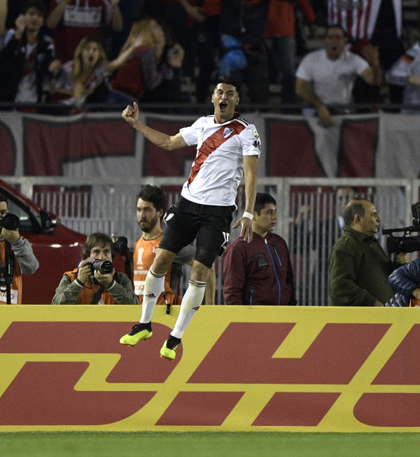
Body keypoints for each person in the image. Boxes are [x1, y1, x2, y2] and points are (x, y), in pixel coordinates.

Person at [118, 75, 260, 360]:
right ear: (212, 97)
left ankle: (174, 338)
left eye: (230, 93)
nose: (224, 97)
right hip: (187, 205)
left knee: (199, 272)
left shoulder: (246, 131)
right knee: (160, 260)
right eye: (219, 92)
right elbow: (169, 143)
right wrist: (136, 124)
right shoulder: (203, 124)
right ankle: (144, 324)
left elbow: (251, 173)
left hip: (217, 213)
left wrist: (247, 212)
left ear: (236, 100)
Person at [133, 184, 215, 308]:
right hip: (139, 313)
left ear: (160, 212)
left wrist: (210, 306)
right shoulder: (138, 244)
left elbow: (208, 266)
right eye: (139, 210)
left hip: (165, 314)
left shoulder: (169, 246)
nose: (142, 215)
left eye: (147, 210)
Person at [295, 25, 381, 127]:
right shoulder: (311, 59)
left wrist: (375, 66)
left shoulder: (353, 60)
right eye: (330, 37)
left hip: (341, 112)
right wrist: (320, 107)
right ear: (325, 41)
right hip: (315, 111)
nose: (334, 41)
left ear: (344, 42)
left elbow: (375, 81)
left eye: (338, 37)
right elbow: (300, 88)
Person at [328, 198, 408, 306]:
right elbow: (340, 287)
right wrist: (374, 304)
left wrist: (400, 264)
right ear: (358, 219)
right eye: (373, 214)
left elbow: (385, 276)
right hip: (359, 320)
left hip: (380, 318)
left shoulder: (370, 243)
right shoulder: (346, 246)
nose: (378, 219)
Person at [222, 192, 296, 305]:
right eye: (269, 213)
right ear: (253, 215)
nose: (274, 217)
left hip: (283, 316)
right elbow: (232, 291)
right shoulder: (238, 248)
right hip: (254, 318)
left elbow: (289, 280)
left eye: (275, 212)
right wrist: (240, 320)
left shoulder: (279, 243)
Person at [0, 0, 60, 103]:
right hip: (9, 99)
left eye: (39, 15)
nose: (35, 18)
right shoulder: (12, 34)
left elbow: (49, 63)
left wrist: (53, 65)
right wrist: (18, 33)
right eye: (31, 14)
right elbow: (4, 60)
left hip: (35, 100)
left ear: (43, 21)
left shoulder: (47, 42)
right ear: (23, 17)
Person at [51, 34, 142, 112]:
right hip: (61, 108)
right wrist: (74, 92)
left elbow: (116, 63)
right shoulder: (68, 69)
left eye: (95, 50)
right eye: (87, 49)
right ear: (81, 52)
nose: (91, 52)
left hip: (81, 109)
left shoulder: (98, 69)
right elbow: (54, 87)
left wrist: (132, 47)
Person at [107, 17, 183, 105]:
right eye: (155, 26)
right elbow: (152, 83)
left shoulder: (139, 50)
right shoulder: (145, 52)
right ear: (147, 31)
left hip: (117, 96)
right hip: (124, 99)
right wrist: (167, 66)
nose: (160, 28)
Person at [52, 232, 137, 304]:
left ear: (112, 256)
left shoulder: (120, 279)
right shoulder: (71, 277)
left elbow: (134, 306)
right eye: (96, 252)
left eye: (106, 252)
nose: (102, 257)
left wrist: (111, 285)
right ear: (87, 257)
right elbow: (57, 305)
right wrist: (78, 283)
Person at [46, 0, 122, 62]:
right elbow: (51, 24)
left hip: (91, 61)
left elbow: (117, 27)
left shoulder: (103, 2)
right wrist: (63, 3)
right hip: (64, 60)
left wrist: (115, 6)